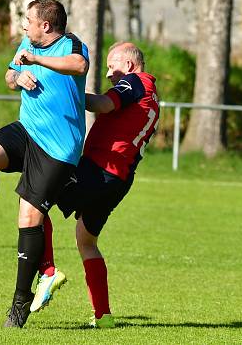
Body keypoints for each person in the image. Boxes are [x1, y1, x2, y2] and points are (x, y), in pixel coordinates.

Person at [0, 0, 89, 328]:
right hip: (28, 131)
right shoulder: (28, 42)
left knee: (29, 216)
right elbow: (10, 74)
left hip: (58, 148)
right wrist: (17, 78)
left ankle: (20, 302)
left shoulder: (72, 45)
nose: (24, 26)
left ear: (46, 26)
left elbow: (79, 67)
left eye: (28, 21)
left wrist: (36, 60)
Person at [33, 42, 160, 328]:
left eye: (111, 65)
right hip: (120, 179)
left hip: (101, 169)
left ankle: (48, 271)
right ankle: (103, 316)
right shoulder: (152, 94)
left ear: (128, 65)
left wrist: (71, 92)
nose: (107, 74)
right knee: (86, 240)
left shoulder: (134, 82)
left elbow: (104, 105)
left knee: (34, 198)